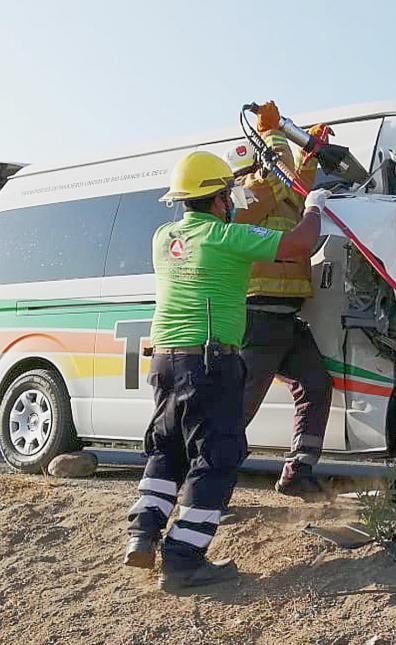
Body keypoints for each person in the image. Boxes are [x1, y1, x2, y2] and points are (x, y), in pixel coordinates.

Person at [123, 148, 326, 592]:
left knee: (167, 450)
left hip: (166, 361)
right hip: (209, 363)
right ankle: (184, 560)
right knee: (215, 459)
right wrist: (314, 205)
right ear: (218, 201)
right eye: (228, 196)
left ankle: (143, 534)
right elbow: (298, 245)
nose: (232, 202)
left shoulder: (163, 237)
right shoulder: (224, 236)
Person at [230, 101, 334, 499]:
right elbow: (278, 184)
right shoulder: (245, 194)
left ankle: (299, 471)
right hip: (256, 318)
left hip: (286, 319)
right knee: (239, 407)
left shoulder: (281, 193)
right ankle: (206, 486)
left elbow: (294, 187)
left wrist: (310, 153)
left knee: (315, 384)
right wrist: (273, 133)